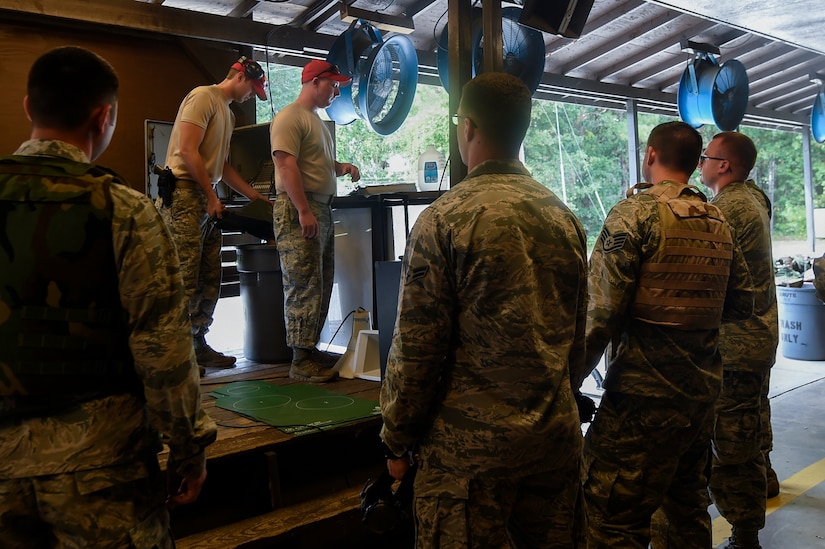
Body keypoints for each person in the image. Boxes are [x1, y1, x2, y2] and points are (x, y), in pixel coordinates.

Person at [0, 46, 217, 548]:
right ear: (105, 117)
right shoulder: (126, 211)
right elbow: (163, 349)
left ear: (29, 108)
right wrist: (189, 447)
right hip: (98, 469)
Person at [380, 72, 588, 547]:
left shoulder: (445, 219)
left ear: (467, 127)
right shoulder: (565, 218)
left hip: (470, 462)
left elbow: (416, 350)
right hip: (554, 445)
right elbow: (577, 341)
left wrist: (397, 437)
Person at [575, 121, 754, 549]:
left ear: (650, 156)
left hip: (642, 399)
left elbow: (599, 315)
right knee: (686, 507)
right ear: (695, 163)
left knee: (610, 516)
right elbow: (742, 302)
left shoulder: (635, 213)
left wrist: (565, 381)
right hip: (700, 396)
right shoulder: (718, 219)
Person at [158, 55, 273, 373]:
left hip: (205, 198)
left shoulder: (229, 114)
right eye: (253, 88)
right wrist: (211, 196)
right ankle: (175, 354)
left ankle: (197, 344)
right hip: (184, 194)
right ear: (240, 77)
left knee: (210, 276)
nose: (253, 95)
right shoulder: (203, 96)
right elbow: (187, 150)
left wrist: (255, 195)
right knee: (183, 277)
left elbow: (221, 165)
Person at [699, 132, 778, 549]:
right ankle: (764, 481)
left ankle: (745, 534)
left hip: (734, 346)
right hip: (756, 339)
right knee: (751, 425)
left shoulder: (726, 209)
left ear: (724, 165)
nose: (700, 164)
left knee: (730, 447)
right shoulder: (755, 198)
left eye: (705, 157)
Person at [270, 59, 360, 383]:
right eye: (333, 85)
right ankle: (300, 359)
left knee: (320, 281)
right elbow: (287, 166)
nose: (337, 91)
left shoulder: (315, 121)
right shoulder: (290, 117)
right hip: (299, 208)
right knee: (303, 282)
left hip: (319, 207)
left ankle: (308, 351)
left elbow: (314, 163)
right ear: (315, 82)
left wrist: (341, 167)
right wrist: (303, 211)